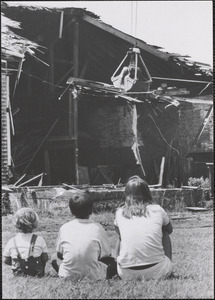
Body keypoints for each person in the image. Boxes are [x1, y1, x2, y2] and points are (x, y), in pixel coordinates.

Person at [114, 175, 173, 281]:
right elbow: (169, 229)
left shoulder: (120, 212)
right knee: (164, 231)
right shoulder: (157, 209)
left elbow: (118, 232)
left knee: (121, 236)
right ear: (147, 193)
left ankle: (116, 264)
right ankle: (168, 266)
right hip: (157, 271)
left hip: (126, 273)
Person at [51, 190, 117, 280]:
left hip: (68, 274)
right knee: (113, 261)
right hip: (94, 275)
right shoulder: (98, 228)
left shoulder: (64, 228)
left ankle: (66, 272)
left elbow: (59, 254)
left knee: (54, 257)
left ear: (71, 211)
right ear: (91, 210)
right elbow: (106, 255)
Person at [3, 207, 48, 276]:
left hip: (18, 273)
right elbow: (45, 258)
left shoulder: (12, 241)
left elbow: (5, 260)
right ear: (35, 223)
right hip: (37, 273)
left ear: (16, 223)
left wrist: (17, 262)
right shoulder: (40, 239)